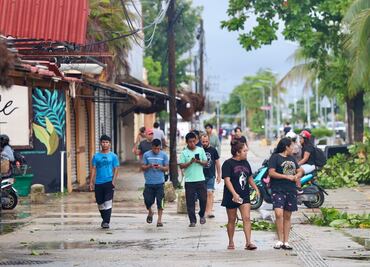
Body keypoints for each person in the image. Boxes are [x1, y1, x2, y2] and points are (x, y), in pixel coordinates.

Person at [222, 141, 259, 250]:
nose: (246, 153)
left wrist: (256, 188)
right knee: (232, 219)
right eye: (244, 151)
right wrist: (234, 193)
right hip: (231, 196)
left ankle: (248, 242)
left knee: (247, 218)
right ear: (238, 152)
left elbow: (249, 177)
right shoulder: (228, 163)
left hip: (244, 195)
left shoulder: (246, 163)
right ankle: (231, 241)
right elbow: (227, 180)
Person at [268, 138, 304, 250]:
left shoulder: (292, 158)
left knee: (288, 216)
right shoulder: (275, 157)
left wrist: (297, 175)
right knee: (279, 214)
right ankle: (279, 240)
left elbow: (300, 170)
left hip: (291, 190)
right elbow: (271, 173)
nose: (293, 148)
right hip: (278, 189)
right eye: (291, 146)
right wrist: (286, 176)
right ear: (286, 147)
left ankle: (286, 241)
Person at [89, 135, 119, 229]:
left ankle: (106, 221)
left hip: (109, 181)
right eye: (103, 142)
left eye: (107, 142)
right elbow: (93, 169)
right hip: (98, 182)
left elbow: (116, 168)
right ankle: (104, 219)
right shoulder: (96, 156)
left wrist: (114, 181)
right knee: (100, 203)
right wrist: (91, 182)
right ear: (100, 143)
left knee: (108, 202)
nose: (105, 144)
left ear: (109, 144)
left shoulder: (113, 156)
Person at [179, 132, 208, 227]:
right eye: (190, 142)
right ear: (187, 142)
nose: (192, 143)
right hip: (189, 181)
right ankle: (192, 220)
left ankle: (201, 214)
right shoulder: (184, 152)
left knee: (203, 199)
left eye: (193, 141)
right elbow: (181, 166)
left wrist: (199, 161)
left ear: (196, 141)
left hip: (200, 179)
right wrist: (190, 162)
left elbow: (206, 162)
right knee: (190, 202)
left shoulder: (200, 150)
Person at [141, 139, 169, 227]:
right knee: (147, 200)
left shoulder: (164, 155)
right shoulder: (146, 155)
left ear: (160, 147)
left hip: (160, 182)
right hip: (149, 182)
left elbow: (166, 168)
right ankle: (150, 211)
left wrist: (160, 167)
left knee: (160, 202)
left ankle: (159, 220)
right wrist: (149, 166)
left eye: (158, 148)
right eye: (154, 148)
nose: (156, 150)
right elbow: (142, 167)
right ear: (151, 147)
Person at [201, 134, 221, 218]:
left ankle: (209, 211)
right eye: (203, 142)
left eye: (206, 141)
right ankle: (204, 210)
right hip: (200, 176)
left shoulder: (213, 150)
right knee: (202, 194)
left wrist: (219, 175)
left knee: (210, 193)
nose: (205, 143)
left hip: (211, 175)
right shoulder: (199, 150)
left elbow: (217, 163)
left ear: (209, 141)